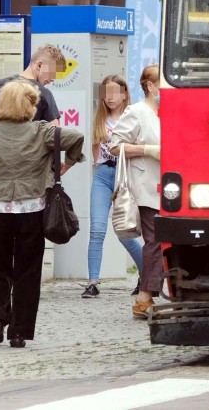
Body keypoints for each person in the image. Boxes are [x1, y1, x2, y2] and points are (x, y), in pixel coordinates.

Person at [0, 80, 84, 348]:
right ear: (30, 105)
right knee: (28, 270)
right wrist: (67, 164)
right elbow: (76, 138)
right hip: (31, 208)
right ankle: (19, 332)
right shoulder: (42, 131)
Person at [82, 75, 144, 298]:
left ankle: (146, 274)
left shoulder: (133, 117)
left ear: (124, 94)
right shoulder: (99, 119)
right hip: (103, 174)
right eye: (106, 92)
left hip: (124, 176)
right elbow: (95, 154)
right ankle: (92, 281)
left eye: (115, 91)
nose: (110, 97)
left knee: (125, 232)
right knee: (97, 229)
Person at [0, 43, 63, 184]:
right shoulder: (44, 94)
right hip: (30, 173)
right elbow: (55, 132)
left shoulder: (1, 85)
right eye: (52, 73)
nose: (53, 79)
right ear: (39, 65)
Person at [109, 64, 161, 319]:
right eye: (162, 82)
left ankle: (147, 294)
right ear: (150, 86)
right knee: (155, 241)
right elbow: (114, 146)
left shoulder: (168, 112)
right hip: (144, 185)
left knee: (160, 241)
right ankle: (144, 297)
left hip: (168, 186)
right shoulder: (137, 112)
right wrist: (147, 150)